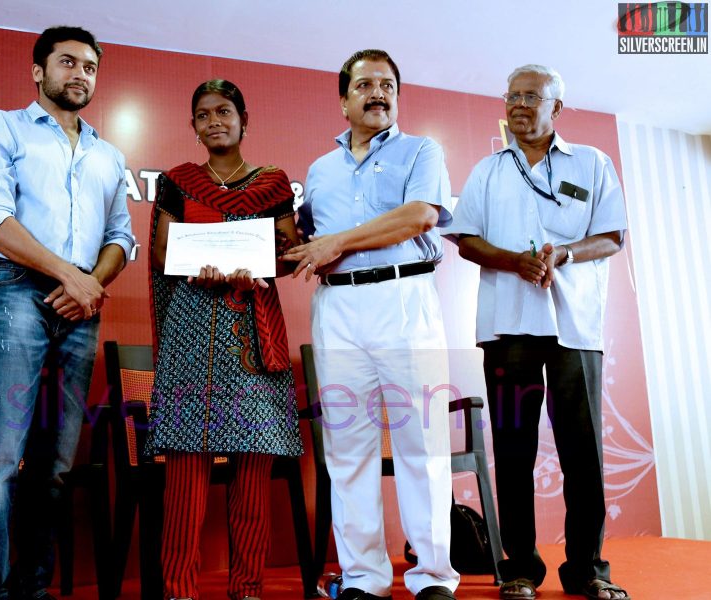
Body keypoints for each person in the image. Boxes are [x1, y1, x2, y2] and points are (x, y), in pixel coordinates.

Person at [0, 26, 135, 600]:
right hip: (16, 291)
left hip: (81, 305)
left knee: (56, 463)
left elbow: (120, 238)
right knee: (3, 454)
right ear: (39, 71)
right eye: (67, 63)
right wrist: (69, 276)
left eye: (89, 67)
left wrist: (90, 283)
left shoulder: (109, 155)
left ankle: (34, 589)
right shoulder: (1, 126)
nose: (79, 74)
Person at [446, 64, 629, 600]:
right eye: (512, 96)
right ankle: (520, 568)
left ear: (557, 109)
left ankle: (588, 569)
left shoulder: (592, 163)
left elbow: (613, 235)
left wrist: (566, 253)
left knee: (583, 450)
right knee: (513, 446)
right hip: (508, 327)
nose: (519, 104)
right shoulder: (486, 170)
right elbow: (466, 240)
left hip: (574, 326)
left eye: (532, 96)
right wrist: (514, 261)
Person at [282, 49, 459, 600]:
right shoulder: (319, 170)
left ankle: (432, 576)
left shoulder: (421, 150)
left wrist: (338, 241)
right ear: (344, 100)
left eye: (387, 84)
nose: (378, 92)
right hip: (338, 310)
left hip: (405, 298)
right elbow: (302, 245)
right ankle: (364, 578)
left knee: (420, 443)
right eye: (364, 85)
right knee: (347, 449)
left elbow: (420, 216)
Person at [144, 79, 304, 600]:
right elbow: (165, 250)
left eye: (225, 111)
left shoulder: (274, 182)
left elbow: (286, 251)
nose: (215, 120)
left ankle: (248, 589)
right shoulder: (178, 181)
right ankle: (179, 590)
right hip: (190, 327)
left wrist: (250, 263)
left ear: (244, 119)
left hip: (252, 331)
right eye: (204, 114)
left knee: (253, 464)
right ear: (193, 127)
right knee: (187, 469)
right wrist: (203, 264)